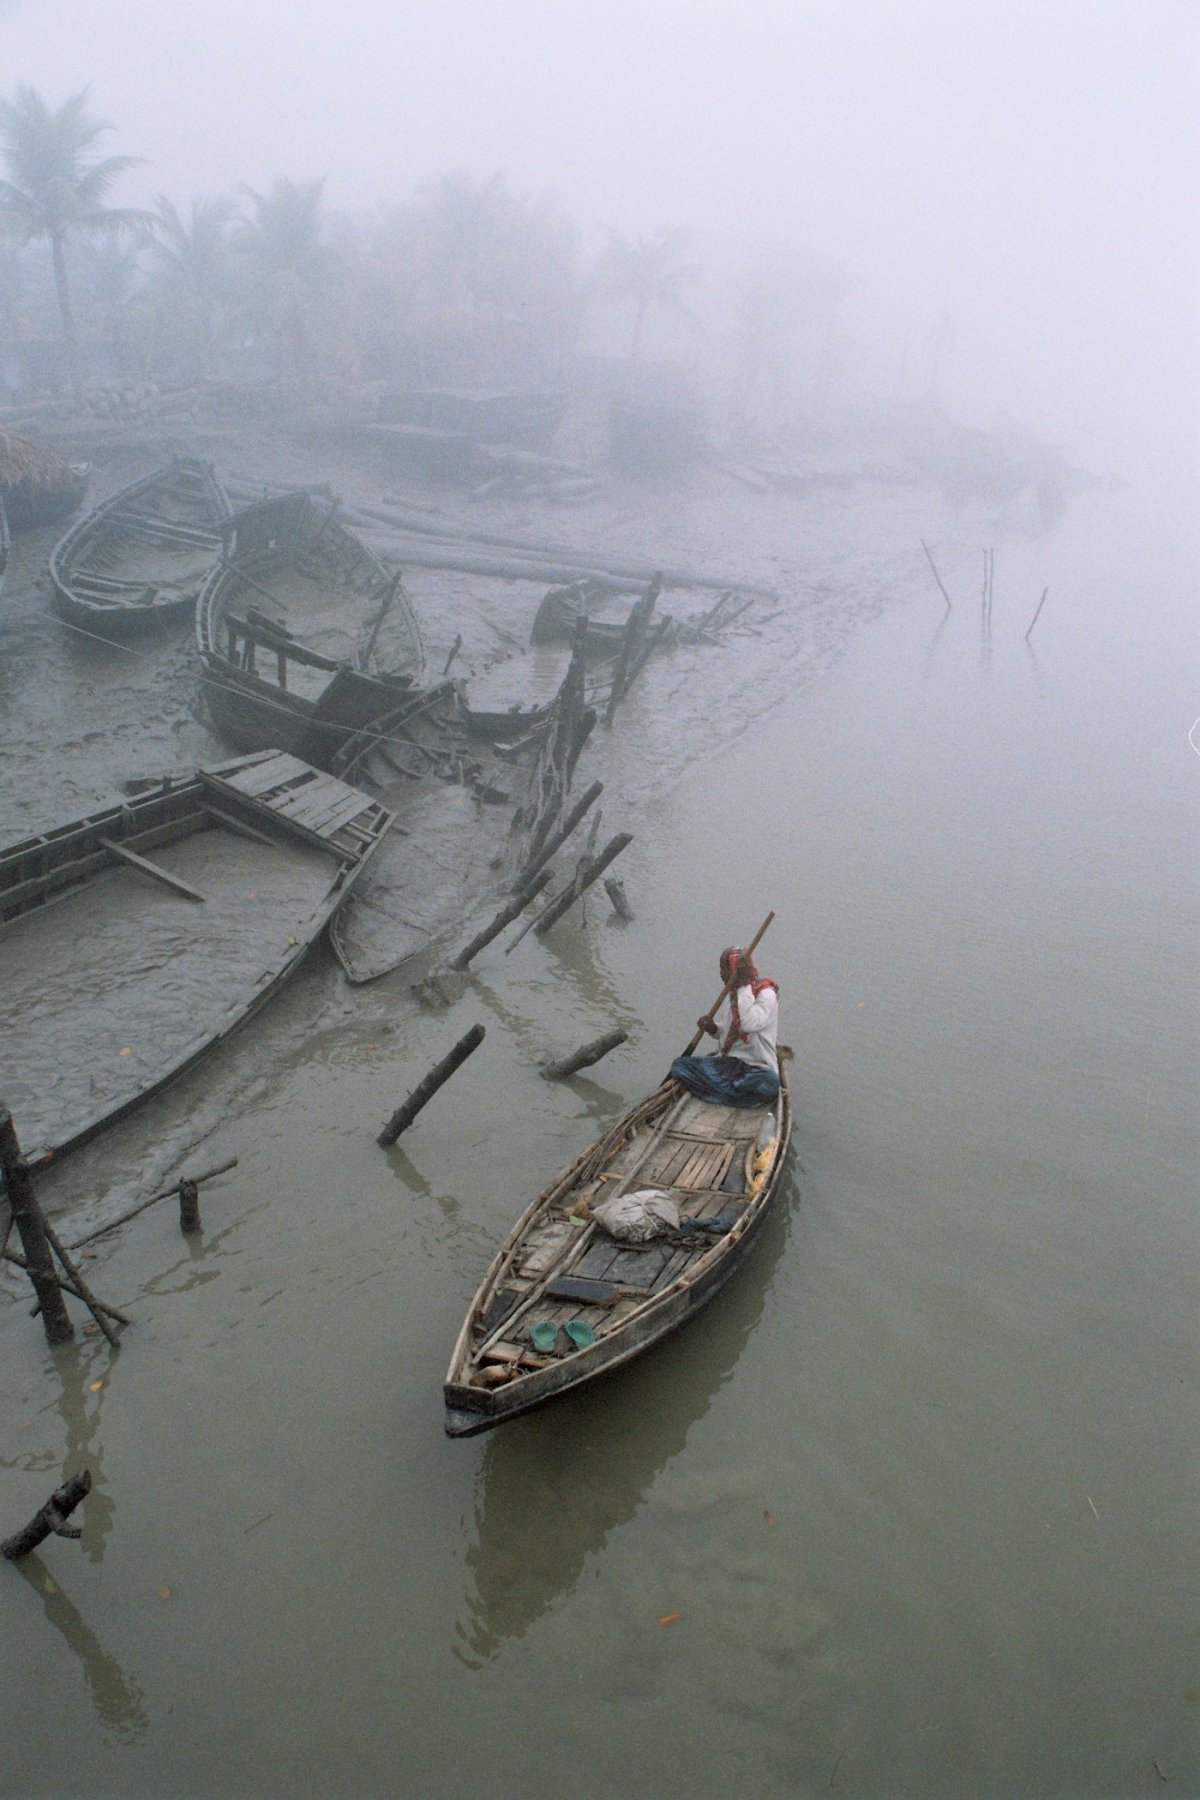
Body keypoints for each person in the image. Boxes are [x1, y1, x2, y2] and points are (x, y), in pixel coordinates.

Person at [669, 946, 780, 1106]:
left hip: (758, 1070)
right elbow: (728, 1034)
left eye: (723, 969)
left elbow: (748, 1024)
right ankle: (735, 1097)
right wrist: (714, 1029)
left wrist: (744, 986)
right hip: (730, 1067)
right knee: (680, 1065)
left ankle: (721, 1092)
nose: (721, 974)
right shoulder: (732, 995)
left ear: (734, 970)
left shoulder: (766, 995)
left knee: (769, 1083)